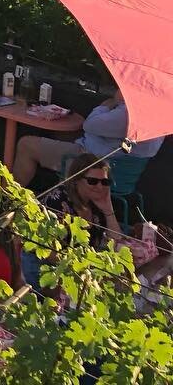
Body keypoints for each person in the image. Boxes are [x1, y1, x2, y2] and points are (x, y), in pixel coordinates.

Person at [11, 88, 164, 187]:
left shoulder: (127, 115)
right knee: (63, 134)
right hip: (121, 173)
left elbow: (89, 125)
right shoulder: (161, 116)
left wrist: (108, 104)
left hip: (91, 166)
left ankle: (8, 200)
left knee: (26, 144)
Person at [22, 152, 119, 293]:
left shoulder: (96, 205)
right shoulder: (57, 201)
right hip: (44, 269)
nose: (100, 187)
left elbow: (117, 244)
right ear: (76, 180)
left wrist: (108, 209)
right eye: (93, 181)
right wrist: (81, 270)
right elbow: (46, 250)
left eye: (105, 182)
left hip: (76, 269)